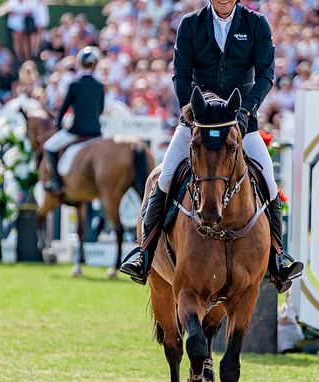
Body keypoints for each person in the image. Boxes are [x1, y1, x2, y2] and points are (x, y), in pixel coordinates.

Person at [120, 0, 304, 293]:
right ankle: (144, 253)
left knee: (268, 181)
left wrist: (246, 110)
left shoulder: (256, 24)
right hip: (199, 121)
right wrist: (187, 109)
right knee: (165, 177)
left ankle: (279, 258)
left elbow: (266, 72)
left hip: (241, 120)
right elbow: (181, 73)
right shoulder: (191, 24)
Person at [42, 47, 105, 193]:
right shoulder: (99, 85)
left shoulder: (74, 84)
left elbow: (64, 108)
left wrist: (58, 123)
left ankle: (57, 182)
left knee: (49, 147)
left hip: (77, 130)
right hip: (96, 132)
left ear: (79, 63)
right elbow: (100, 110)